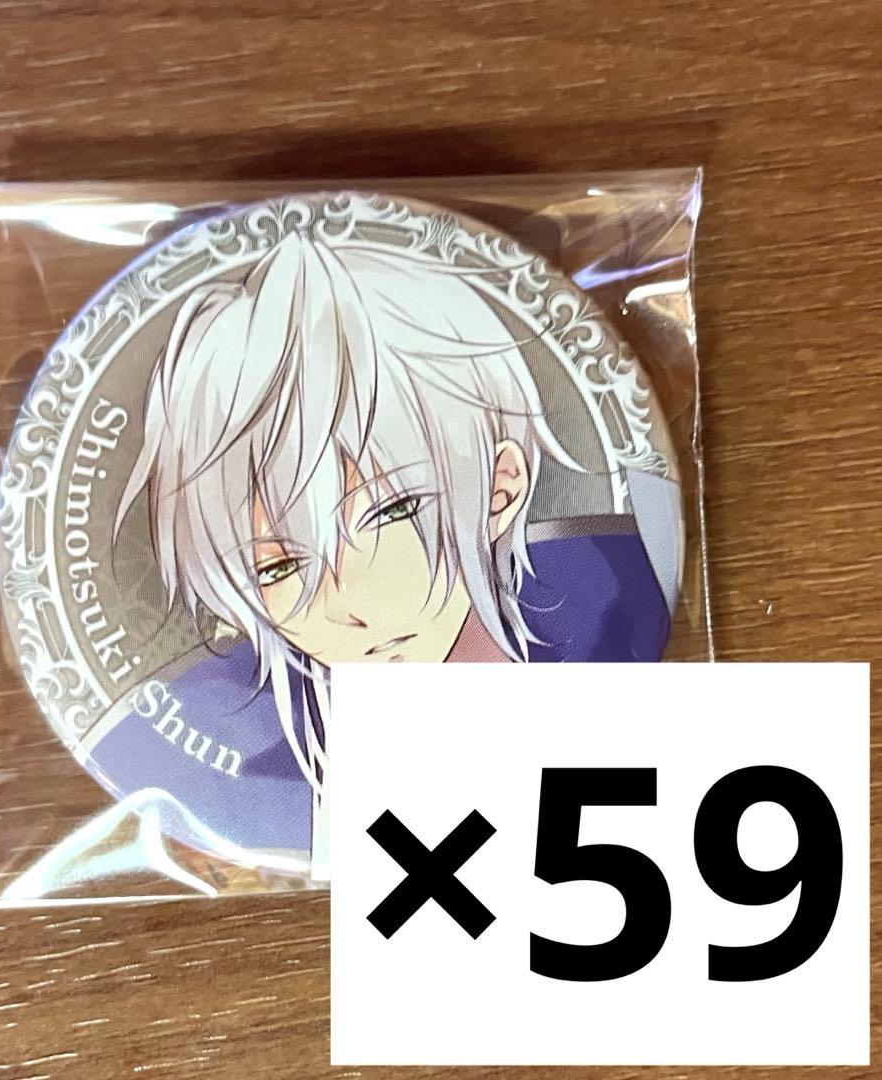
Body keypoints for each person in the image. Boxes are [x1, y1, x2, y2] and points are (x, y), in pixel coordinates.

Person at [93, 226, 675, 867]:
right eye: (280, 565)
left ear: (501, 487)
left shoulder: (622, 591)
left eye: (394, 511)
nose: (354, 607)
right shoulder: (181, 745)